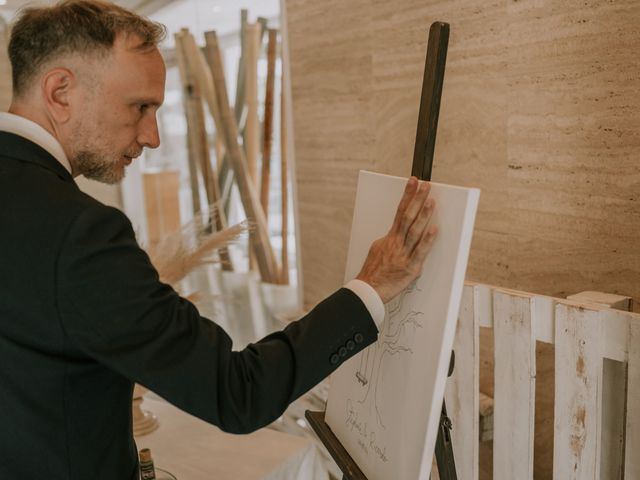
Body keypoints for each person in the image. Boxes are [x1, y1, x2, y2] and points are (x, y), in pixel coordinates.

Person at [0, 1, 437, 478]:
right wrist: (372, 285)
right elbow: (238, 393)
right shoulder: (82, 234)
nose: (152, 136)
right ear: (61, 91)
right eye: (140, 106)